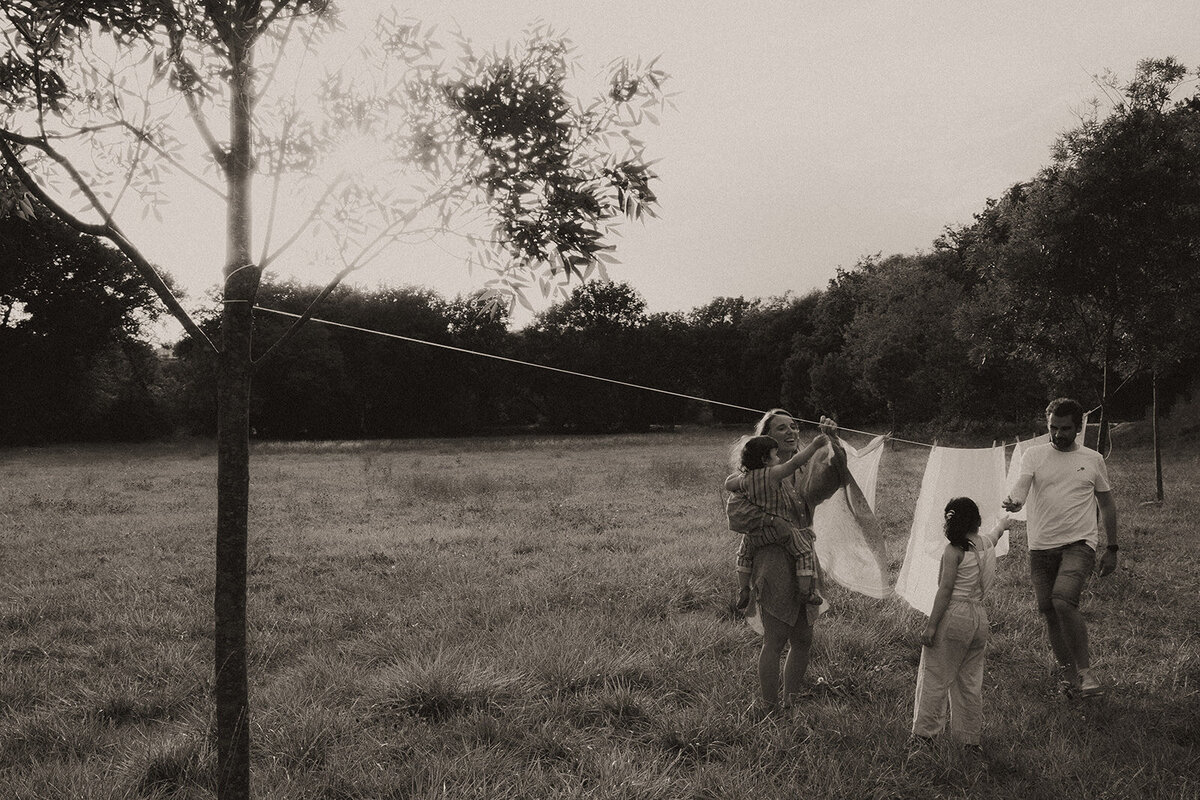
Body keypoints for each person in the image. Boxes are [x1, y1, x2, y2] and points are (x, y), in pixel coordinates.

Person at [730, 408, 846, 714]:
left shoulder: (805, 470)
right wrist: (774, 522)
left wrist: (833, 441)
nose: (792, 432)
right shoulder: (752, 477)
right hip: (771, 559)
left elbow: (837, 476)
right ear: (767, 438)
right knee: (776, 637)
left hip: (803, 557)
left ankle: (791, 701)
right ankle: (770, 707)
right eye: (782, 429)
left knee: (804, 638)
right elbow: (736, 515)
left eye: (794, 426)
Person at [1002, 397, 1119, 698]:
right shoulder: (1033, 455)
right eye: (1053, 428)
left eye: (1065, 429)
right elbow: (1022, 485)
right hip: (1040, 546)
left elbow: (1106, 503)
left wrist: (1113, 547)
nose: (1058, 435)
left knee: (1064, 601)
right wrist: (1015, 502)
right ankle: (1069, 678)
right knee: (1049, 611)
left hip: (1079, 543)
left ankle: (1086, 672)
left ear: (1078, 427)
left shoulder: (1093, 459)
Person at [911, 497, 1009, 750]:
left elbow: (945, 590)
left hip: (955, 614)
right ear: (977, 521)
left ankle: (925, 735)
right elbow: (996, 534)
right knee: (969, 680)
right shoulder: (986, 543)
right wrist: (1004, 523)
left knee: (935, 674)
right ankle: (968, 739)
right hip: (979, 617)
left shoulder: (954, 551)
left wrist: (932, 626)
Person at [725, 434, 828, 611]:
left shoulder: (746, 479)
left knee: (743, 555)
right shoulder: (772, 474)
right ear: (765, 460)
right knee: (804, 552)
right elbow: (795, 462)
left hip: (755, 533)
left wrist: (741, 477)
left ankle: (743, 589)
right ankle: (805, 592)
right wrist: (815, 445)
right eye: (775, 455)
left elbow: (729, 484)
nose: (779, 458)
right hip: (779, 530)